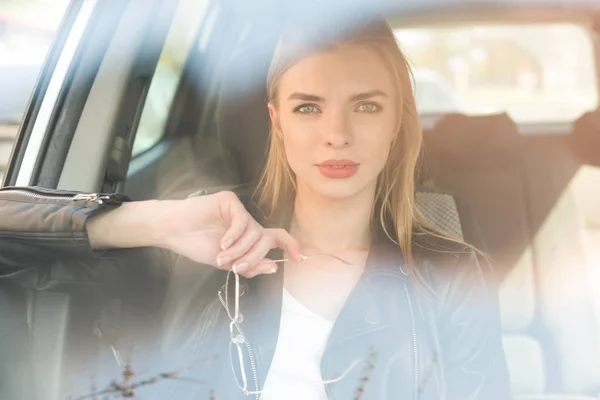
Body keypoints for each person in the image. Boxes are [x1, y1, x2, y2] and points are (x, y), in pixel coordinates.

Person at [0, 15, 513, 400]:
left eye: (366, 106)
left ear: (399, 121)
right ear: (277, 121)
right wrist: (153, 219)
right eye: (308, 107)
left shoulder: (453, 277)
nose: (337, 135)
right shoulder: (203, 238)